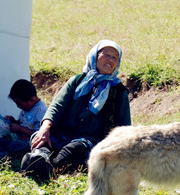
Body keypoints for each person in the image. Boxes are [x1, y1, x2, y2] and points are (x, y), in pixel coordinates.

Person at [21, 40, 131, 182]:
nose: (110, 59)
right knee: (40, 138)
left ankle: (48, 168)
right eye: (106, 54)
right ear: (94, 56)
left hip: (91, 140)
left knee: (75, 149)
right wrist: (45, 129)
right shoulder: (78, 81)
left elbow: (124, 125)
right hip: (63, 133)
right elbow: (57, 106)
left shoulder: (119, 91)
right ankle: (40, 157)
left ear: (118, 62)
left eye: (115, 57)